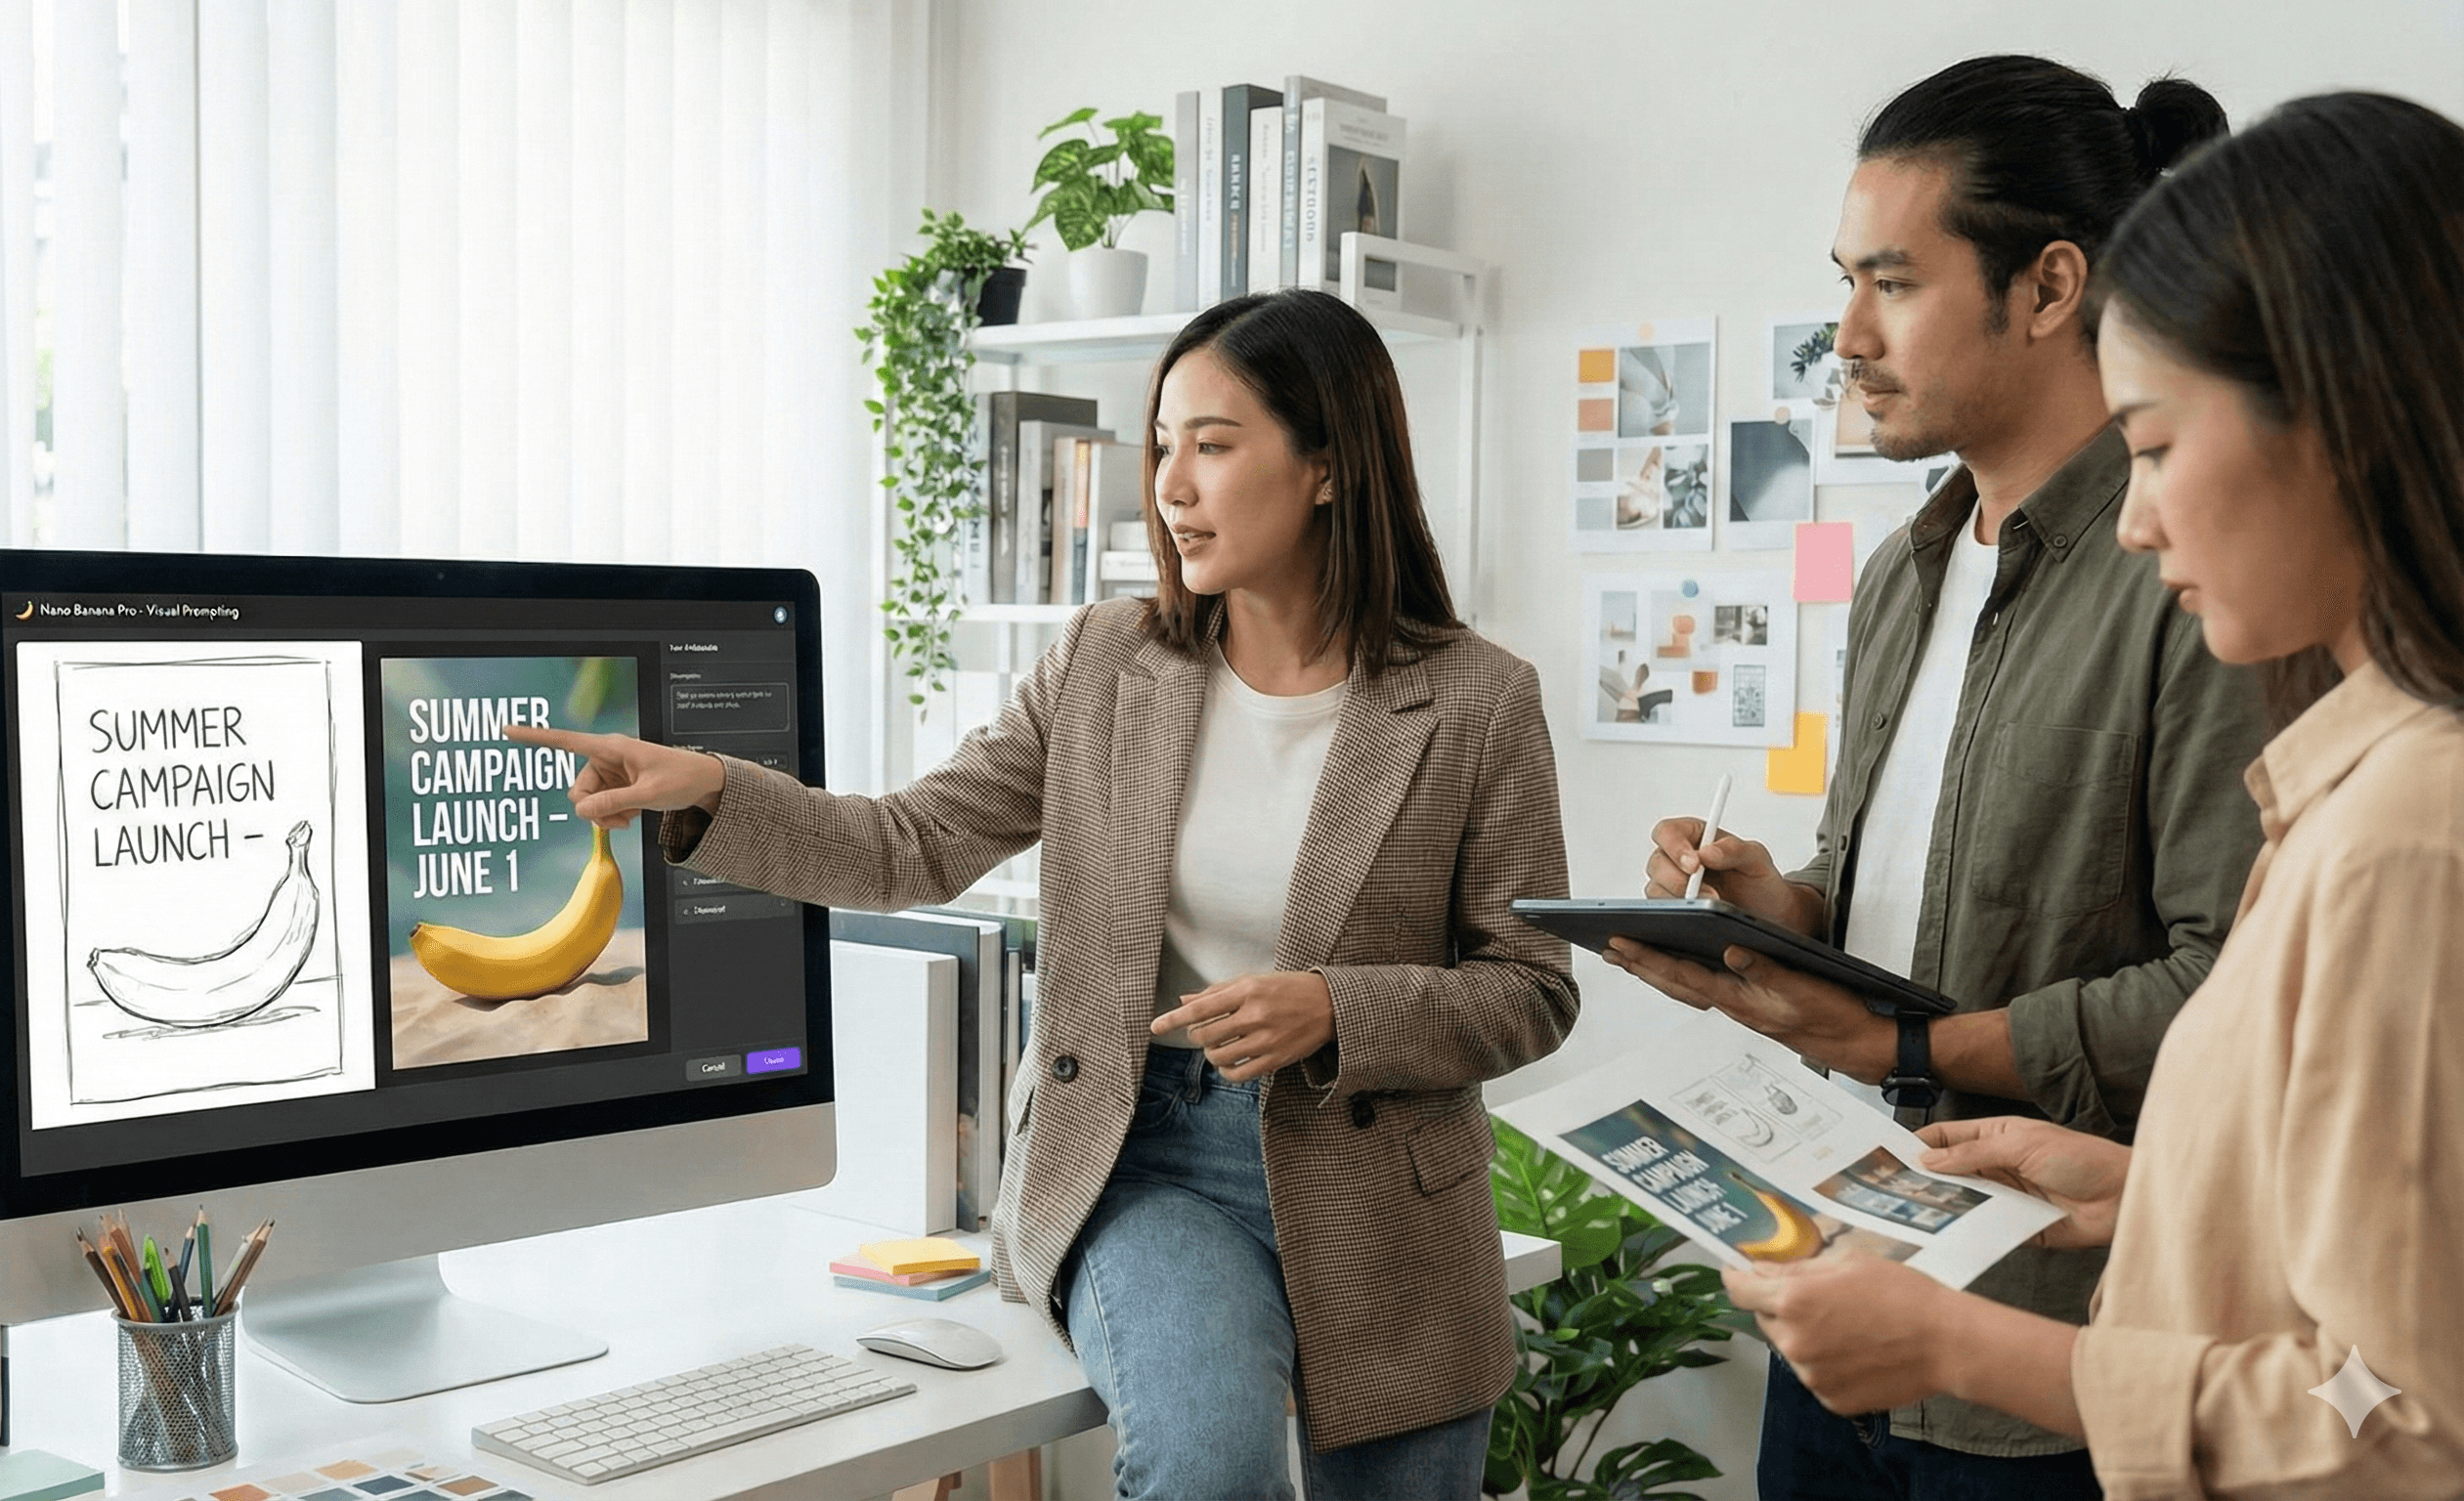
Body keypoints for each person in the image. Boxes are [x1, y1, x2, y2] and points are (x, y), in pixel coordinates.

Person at [514, 288, 1577, 1499]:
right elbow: (907, 844)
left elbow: (1529, 990)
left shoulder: (1477, 700)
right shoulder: (1107, 662)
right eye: (1161, 445)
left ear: (1327, 467)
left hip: (1386, 1196)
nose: (1170, 486)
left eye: (1213, 447)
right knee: (1206, 1468)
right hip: (1150, 1152)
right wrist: (711, 789)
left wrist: (1337, 1008)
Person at [1726, 89, 2464, 1500]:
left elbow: (2402, 1415)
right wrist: (2150, 1191)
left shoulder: (2401, 826)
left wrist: (1961, 1332)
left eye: (2159, 443)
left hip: (2050, 1373)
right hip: (1920, 1247)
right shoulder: (1911, 574)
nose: (2137, 515)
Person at [1605, 56, 2270, 1498]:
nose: (1846, 334)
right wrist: (1778, 905)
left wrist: (1914, 1050)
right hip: (1850, 1286)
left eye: (1892, 284)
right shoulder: (1907, 572)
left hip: (2054, 1361)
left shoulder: (2197, 577)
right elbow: (1892, 889)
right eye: (1846, 282)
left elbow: (2230, 991)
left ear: (2045, 289)